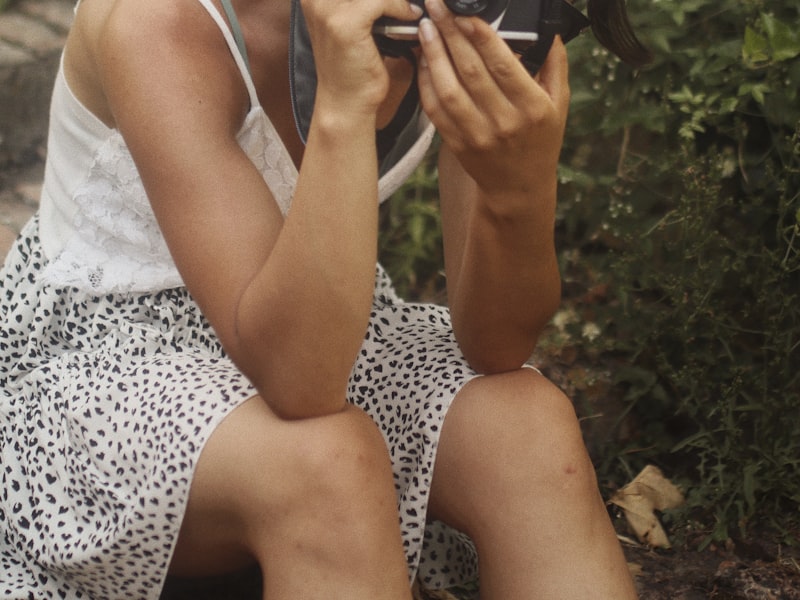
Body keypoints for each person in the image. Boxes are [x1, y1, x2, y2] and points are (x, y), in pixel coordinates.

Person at [0, 0, 650, 598]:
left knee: (524, 424)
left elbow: (495, 342)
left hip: (316, 305)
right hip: (102, 366)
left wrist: (519, 189)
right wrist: (344, 110)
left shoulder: (455, 11)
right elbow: (298, 381)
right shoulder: (161, 23)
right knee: (328, 465)